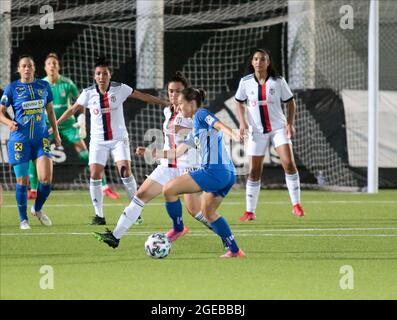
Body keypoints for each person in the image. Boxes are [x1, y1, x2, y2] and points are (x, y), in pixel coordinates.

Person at [95, 87, 245, 258]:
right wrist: (151, 153)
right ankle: (235, 250)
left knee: (169, 189)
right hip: (228, 174)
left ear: (191, 103)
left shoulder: (201, 113)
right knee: (208, 213)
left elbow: (218, 124)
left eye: (181, 104)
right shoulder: (195, 129)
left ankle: (178, 228)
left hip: (214, 171)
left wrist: (233, 134)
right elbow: (176, 152)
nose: (178, 107)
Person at [57, 56, 168, 225]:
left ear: (110, 76)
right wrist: (54, 125)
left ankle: (135, 212)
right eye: (98, 73)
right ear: (95, 76)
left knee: (125, 172)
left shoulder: (119, 89)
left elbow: (142, 96)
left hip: (118, 139)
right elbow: (72, 110)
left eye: (105, 74)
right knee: (95, 174)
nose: (101, 77)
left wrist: (164, 103)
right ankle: (99, 216)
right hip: (98, 141)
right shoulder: (88, 93)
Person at [27, 53, 120, 202]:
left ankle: (104, 187)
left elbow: (80, 101)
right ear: (45, 67)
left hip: (68, 124)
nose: (52, 66)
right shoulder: (40, 85)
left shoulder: (67, 83)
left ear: (59, 67)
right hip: (48, 124)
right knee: (35, 153)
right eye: (49, 63)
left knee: (85, 154)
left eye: (55, 64)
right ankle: (33, 189)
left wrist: (81, 119)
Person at [235, 48, 304, 221]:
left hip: (278, 129)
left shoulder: (278, 81)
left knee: (288, 163)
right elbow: (239, 103)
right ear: (252, 62)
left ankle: (296, 205)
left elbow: (290, 103)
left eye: (263, 59)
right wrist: (242, 123)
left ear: (268, 62)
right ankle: (250, 211)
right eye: (256, 59)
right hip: (256, 132)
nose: (259, 62)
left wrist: (290, 123)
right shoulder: (245, 82)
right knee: (254, 171)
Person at [0, 55, 61, 229]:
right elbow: (0, 112)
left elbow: (50, 112)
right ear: (19, 69)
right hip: (20, 141)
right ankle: (23, 219)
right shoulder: (12, 88)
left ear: (34, 69)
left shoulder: (44, 86)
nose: (27, 69)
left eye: (30, 66)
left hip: (41, 139)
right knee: (23, 181)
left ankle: (38, 209)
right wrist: (9, 122)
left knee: (46, 180)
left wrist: (56, 133)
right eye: (23, 66)